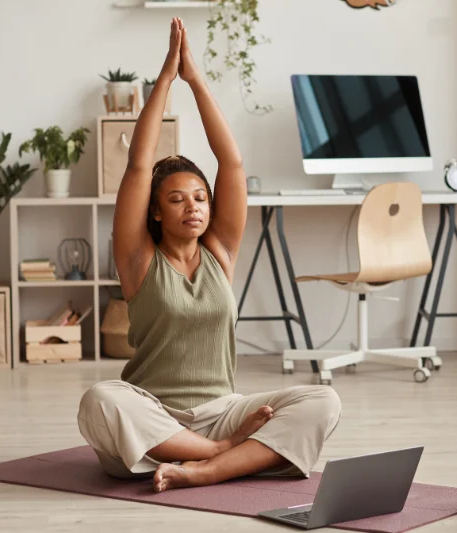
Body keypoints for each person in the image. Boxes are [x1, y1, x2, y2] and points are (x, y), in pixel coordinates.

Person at [77, 18, 342, 493]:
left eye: (200, 197)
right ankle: (223, 457)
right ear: (155, 212)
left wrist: (195, 79)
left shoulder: (220, 253)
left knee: (323, 400)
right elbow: (139, 163)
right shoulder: (139, 260)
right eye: (177, 199)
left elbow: (232, 163)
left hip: (224, 413)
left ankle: (203, 470)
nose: (192, 206)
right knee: (99, 400)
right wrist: (164, 79)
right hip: (154, 419)